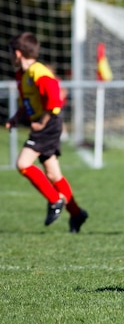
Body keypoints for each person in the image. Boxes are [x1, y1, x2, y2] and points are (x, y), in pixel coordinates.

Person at [5, 32, 88, 232]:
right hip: (45, 124)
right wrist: (17, 117)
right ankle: (76, 213)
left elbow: (54, 100)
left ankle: (54, 200)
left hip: (48, 125)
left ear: (17, 53)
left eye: (10, 53)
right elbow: (28, 102)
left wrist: (42, 123)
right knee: (53, 174)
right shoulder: (22, 75)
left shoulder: (38, 71)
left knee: (23, 164)